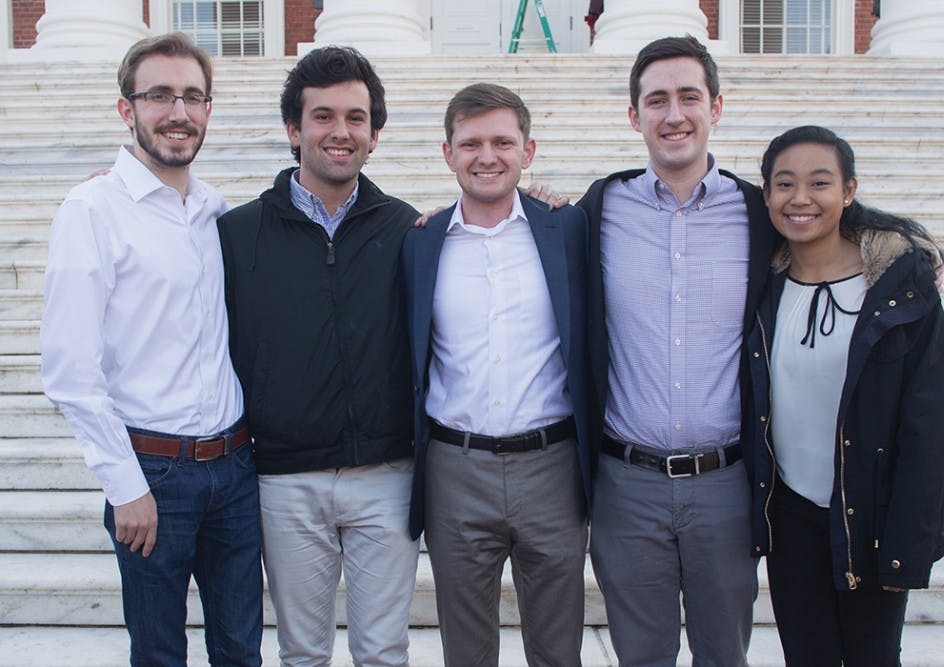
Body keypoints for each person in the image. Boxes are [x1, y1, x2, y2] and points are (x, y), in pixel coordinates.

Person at [40, 33, 262, 666]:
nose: (178, 112)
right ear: (126, 109)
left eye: (193, 96)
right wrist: (123, 485)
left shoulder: (214, 210)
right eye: (159, 95)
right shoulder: (92, 211)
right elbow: (70, 373)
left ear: (209, 110)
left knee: (241, 652)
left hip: (235, 468)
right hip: (152, 475)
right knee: (160, 653)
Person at [575, 35, 777, 665]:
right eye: (656, 100)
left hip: (726, 483)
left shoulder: (759, 212)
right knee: (641, 656)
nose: (674, 114)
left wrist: (899, 247)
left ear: (716, 106)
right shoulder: (600, 207)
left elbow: (831, 218)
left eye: (689, 96)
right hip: (626, 483)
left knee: (725, 654)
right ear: (635, 116)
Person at [216, 47, 420, 667]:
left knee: (383, 652)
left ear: (374, 135)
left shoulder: (407, 228)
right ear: (293, 129)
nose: (340, 131)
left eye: (356, 118)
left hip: (386, 478)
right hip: (284, 480)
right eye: (323, 116)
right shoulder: (236, 233)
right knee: (302, 653)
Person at [747, 125, 944, 666]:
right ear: (766, 193)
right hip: (792, 517)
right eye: (784, 184)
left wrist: (906, 550)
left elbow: (926, 426)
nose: (800, 199)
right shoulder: (762, 286)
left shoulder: (900, 290)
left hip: (872, 516)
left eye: (820, 183)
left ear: (849, 189)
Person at [402, 83, 591, 667]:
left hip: (552, 468)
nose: (488, 156)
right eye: (471, 143)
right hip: (456, 468)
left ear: (528, 152)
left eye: (503, 142)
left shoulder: (569, 229)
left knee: (558, 649)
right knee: (467, 650)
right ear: (447, 153)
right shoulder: (419, 239)